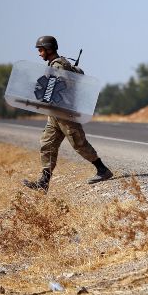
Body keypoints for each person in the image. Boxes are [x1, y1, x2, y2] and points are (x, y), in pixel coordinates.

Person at [23, 36, 113, 192]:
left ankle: (102, 170)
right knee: (47, 144)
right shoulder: (54, 65)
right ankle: (44, 182)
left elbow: (61, 87)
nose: (39, 53)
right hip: (55, 114)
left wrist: (45, 93)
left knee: (79, 143)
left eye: (41, 50)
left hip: (64, 113)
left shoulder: (59, 66)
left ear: (49, 49)